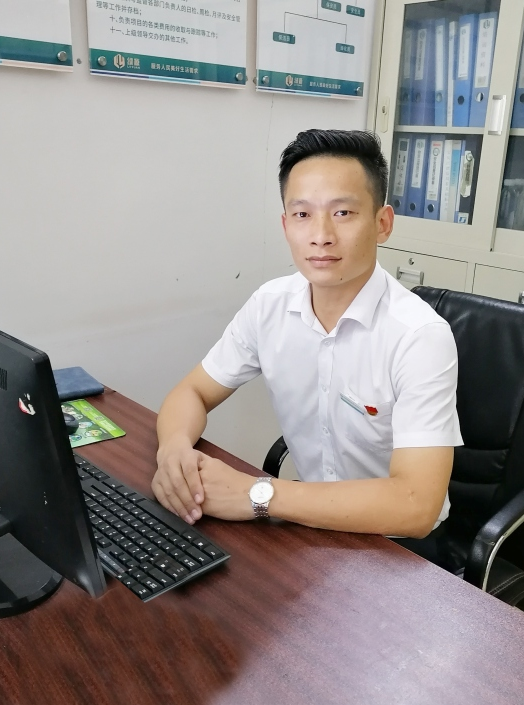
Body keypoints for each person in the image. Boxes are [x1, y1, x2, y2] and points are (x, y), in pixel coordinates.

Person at [153, 129, 462, 559]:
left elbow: (416, 506)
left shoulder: (418, 336)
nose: (321, 235)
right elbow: (193, 391)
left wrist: (258, 494)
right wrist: (174, 451)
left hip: (400, 546)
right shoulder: (269, 306)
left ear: (383, 223)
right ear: (285, 225)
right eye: (302, 214)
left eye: (343, 213)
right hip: (309, 524)